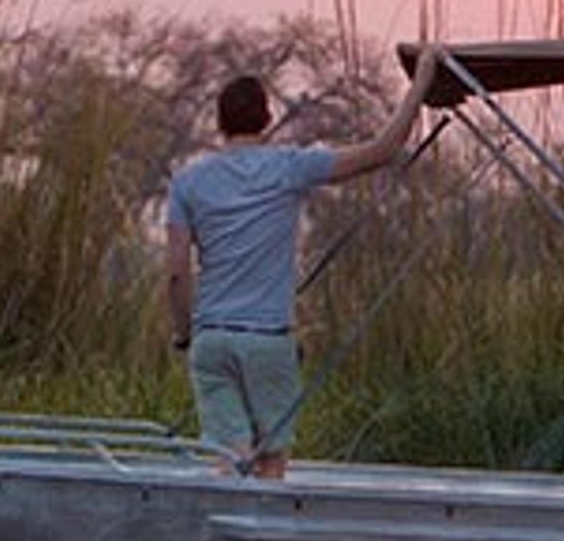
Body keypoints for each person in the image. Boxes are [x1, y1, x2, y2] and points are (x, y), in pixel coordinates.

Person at [164, 50, 440, 476]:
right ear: (266, 118)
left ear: (220, 123)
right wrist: (420, 83)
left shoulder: (187, 183)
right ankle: (265, 535)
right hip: (269, 341)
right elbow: (383, 149)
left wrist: (185, 334)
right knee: (271, 464)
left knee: (231, 460)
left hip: (212, 340)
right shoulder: (291, 167)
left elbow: (176, 273)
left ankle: (223, 534)